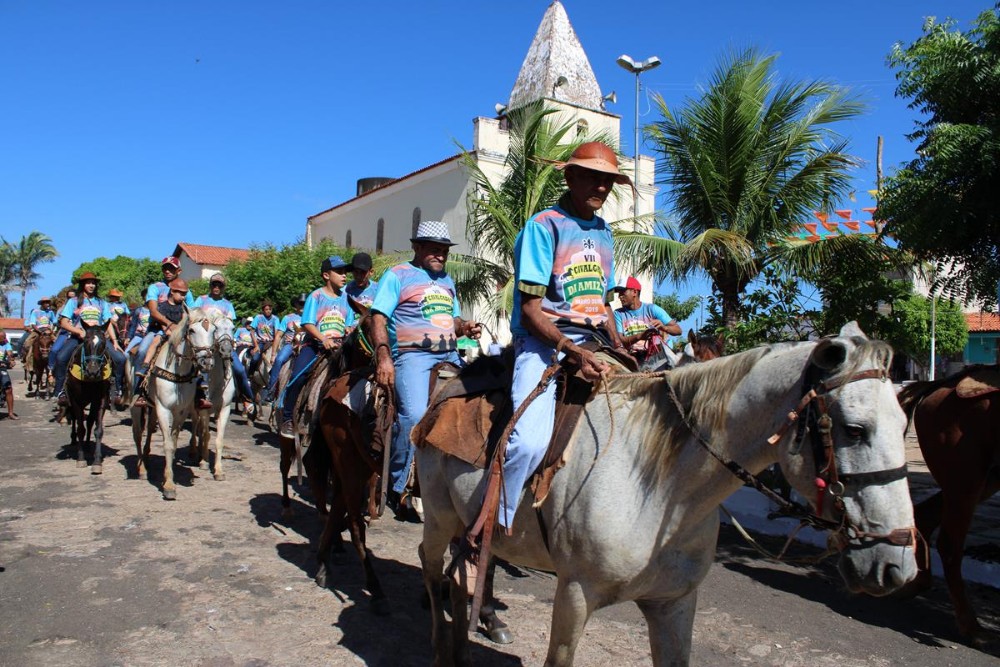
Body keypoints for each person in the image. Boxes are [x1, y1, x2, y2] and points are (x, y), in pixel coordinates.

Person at [500, 141, 628, 531]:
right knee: (528, 444)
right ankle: (494, 525)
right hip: (544, 344)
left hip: (596, 343)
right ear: (570, 176)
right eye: (592, 177)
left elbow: (602, 304)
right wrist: (568, 348)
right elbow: (530, 308)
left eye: (608, 181)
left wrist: (619, 342)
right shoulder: (544, 226)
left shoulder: (604, 232)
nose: (602, 187)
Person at [369, 221, 481, 517]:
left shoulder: (447, 280)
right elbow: (378, 318)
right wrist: (383, 356)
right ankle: (398, 486)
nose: (440, 255)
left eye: (444, 250)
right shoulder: (398, 275)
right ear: (417, 247)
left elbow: (453, 321)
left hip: (450, 354)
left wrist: (465, 325)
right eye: (434, 249)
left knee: (480, 402)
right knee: (416, 415)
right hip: (413, 355)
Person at [280, 256, 356, 438]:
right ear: (326, 275)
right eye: (339, 272)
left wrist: (349, 328)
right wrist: (323, 339)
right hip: (315, 345)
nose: (344, 276)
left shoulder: (347, 298)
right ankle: (288, 418)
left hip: (340, 347)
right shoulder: (316, 296)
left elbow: (350, 322)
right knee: (299, 375)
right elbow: (307, 323)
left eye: (345, 272)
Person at [53, 272, 126, 407]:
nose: (91, 285)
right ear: (82, 285)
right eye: (88, 282)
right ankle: (60, 390)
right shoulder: (73, 301)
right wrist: (78, 331)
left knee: (120, 359)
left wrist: (115, 341)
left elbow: (108, 322)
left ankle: (116, 390)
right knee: (61, 358)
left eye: (93, 283)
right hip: (79, 337)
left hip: (98, 337)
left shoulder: (101, 302)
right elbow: (63, 322)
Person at [132, 257, 196, 396]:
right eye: (165, 268)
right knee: (142, 350)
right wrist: (169, 325)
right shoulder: (155, 287)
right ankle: (138, 390)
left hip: (180, 330)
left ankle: (200, 390)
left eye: (171, 268)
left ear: (179, 270)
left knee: (199, 352)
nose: (167, 271)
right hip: (156, 329)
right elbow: (154, 311)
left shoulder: (186, 290)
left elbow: (192, 313)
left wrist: (180, 328)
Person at [193, 273, 255, 414]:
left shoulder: (227, 305)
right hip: (204, 342)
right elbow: (194, 318)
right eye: (214, 284)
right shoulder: (201, 300)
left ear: (223, 288)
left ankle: (247, 399)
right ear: (210, 285)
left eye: (219, 285)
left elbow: (229, 324)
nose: (216, 287)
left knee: (239, 369)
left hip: (222, 344)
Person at [613, 276, 681, 366]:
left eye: (623, 292)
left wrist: (664, 327)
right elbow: (621, 341)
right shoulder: (618, 314)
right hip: (633, 357)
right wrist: (641, 336)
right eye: (619, 293)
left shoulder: (652, 309)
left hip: (657, 356)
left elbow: (678, 330)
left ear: (634, 292)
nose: (619, 297)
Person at [262, 293, 305, 402]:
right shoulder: (288, 318)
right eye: (300, 303)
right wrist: (273, 354)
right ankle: (271, 390)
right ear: (296, 305)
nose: (302, 306)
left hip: (307, 345)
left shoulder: (312, 317)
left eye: (304, 303)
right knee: (279, 360)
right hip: (290, 345)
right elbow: (279, 335)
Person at [48, 289, 77, 370]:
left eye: (73, 297)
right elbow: (56, 320)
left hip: (77, 332)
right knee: (54, 350)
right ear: (66, 297)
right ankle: (51, 369)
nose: (71, 299)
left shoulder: (80, 306)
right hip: (65, 331)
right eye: (69, 297)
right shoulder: (61, 309)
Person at [24, 296, 57, 363]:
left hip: (48, 330)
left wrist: (51, 330)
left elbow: (55, 322)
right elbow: (33, 324)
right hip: (38, 330)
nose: (47, 304)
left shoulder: (50, 312)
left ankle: (55, 361)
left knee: (57, 342)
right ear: (42, 304)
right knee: (27, 343)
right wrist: (40, 331)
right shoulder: (35, 312)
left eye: (48, 302)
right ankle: (27, 359)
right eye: (45, 303)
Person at [250, 300, 279, 369]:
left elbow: (276, 333)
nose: (268, 311)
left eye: (270, 309)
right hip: (261, 342)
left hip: (271, 342)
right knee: (255, 358)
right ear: (263, 310)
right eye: (266, 309)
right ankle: (250, 374)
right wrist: (256, 346)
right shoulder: (258, 317)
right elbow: (252, 332)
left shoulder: (275, 319)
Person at [0, 331, 17, 420]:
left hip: (2, 368)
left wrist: (11, 360)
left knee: (9, 389)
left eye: (5, 337)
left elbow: (10, 353)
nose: (5, 339)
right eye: (3, 338)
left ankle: (10, 413)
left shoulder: (6, 343)